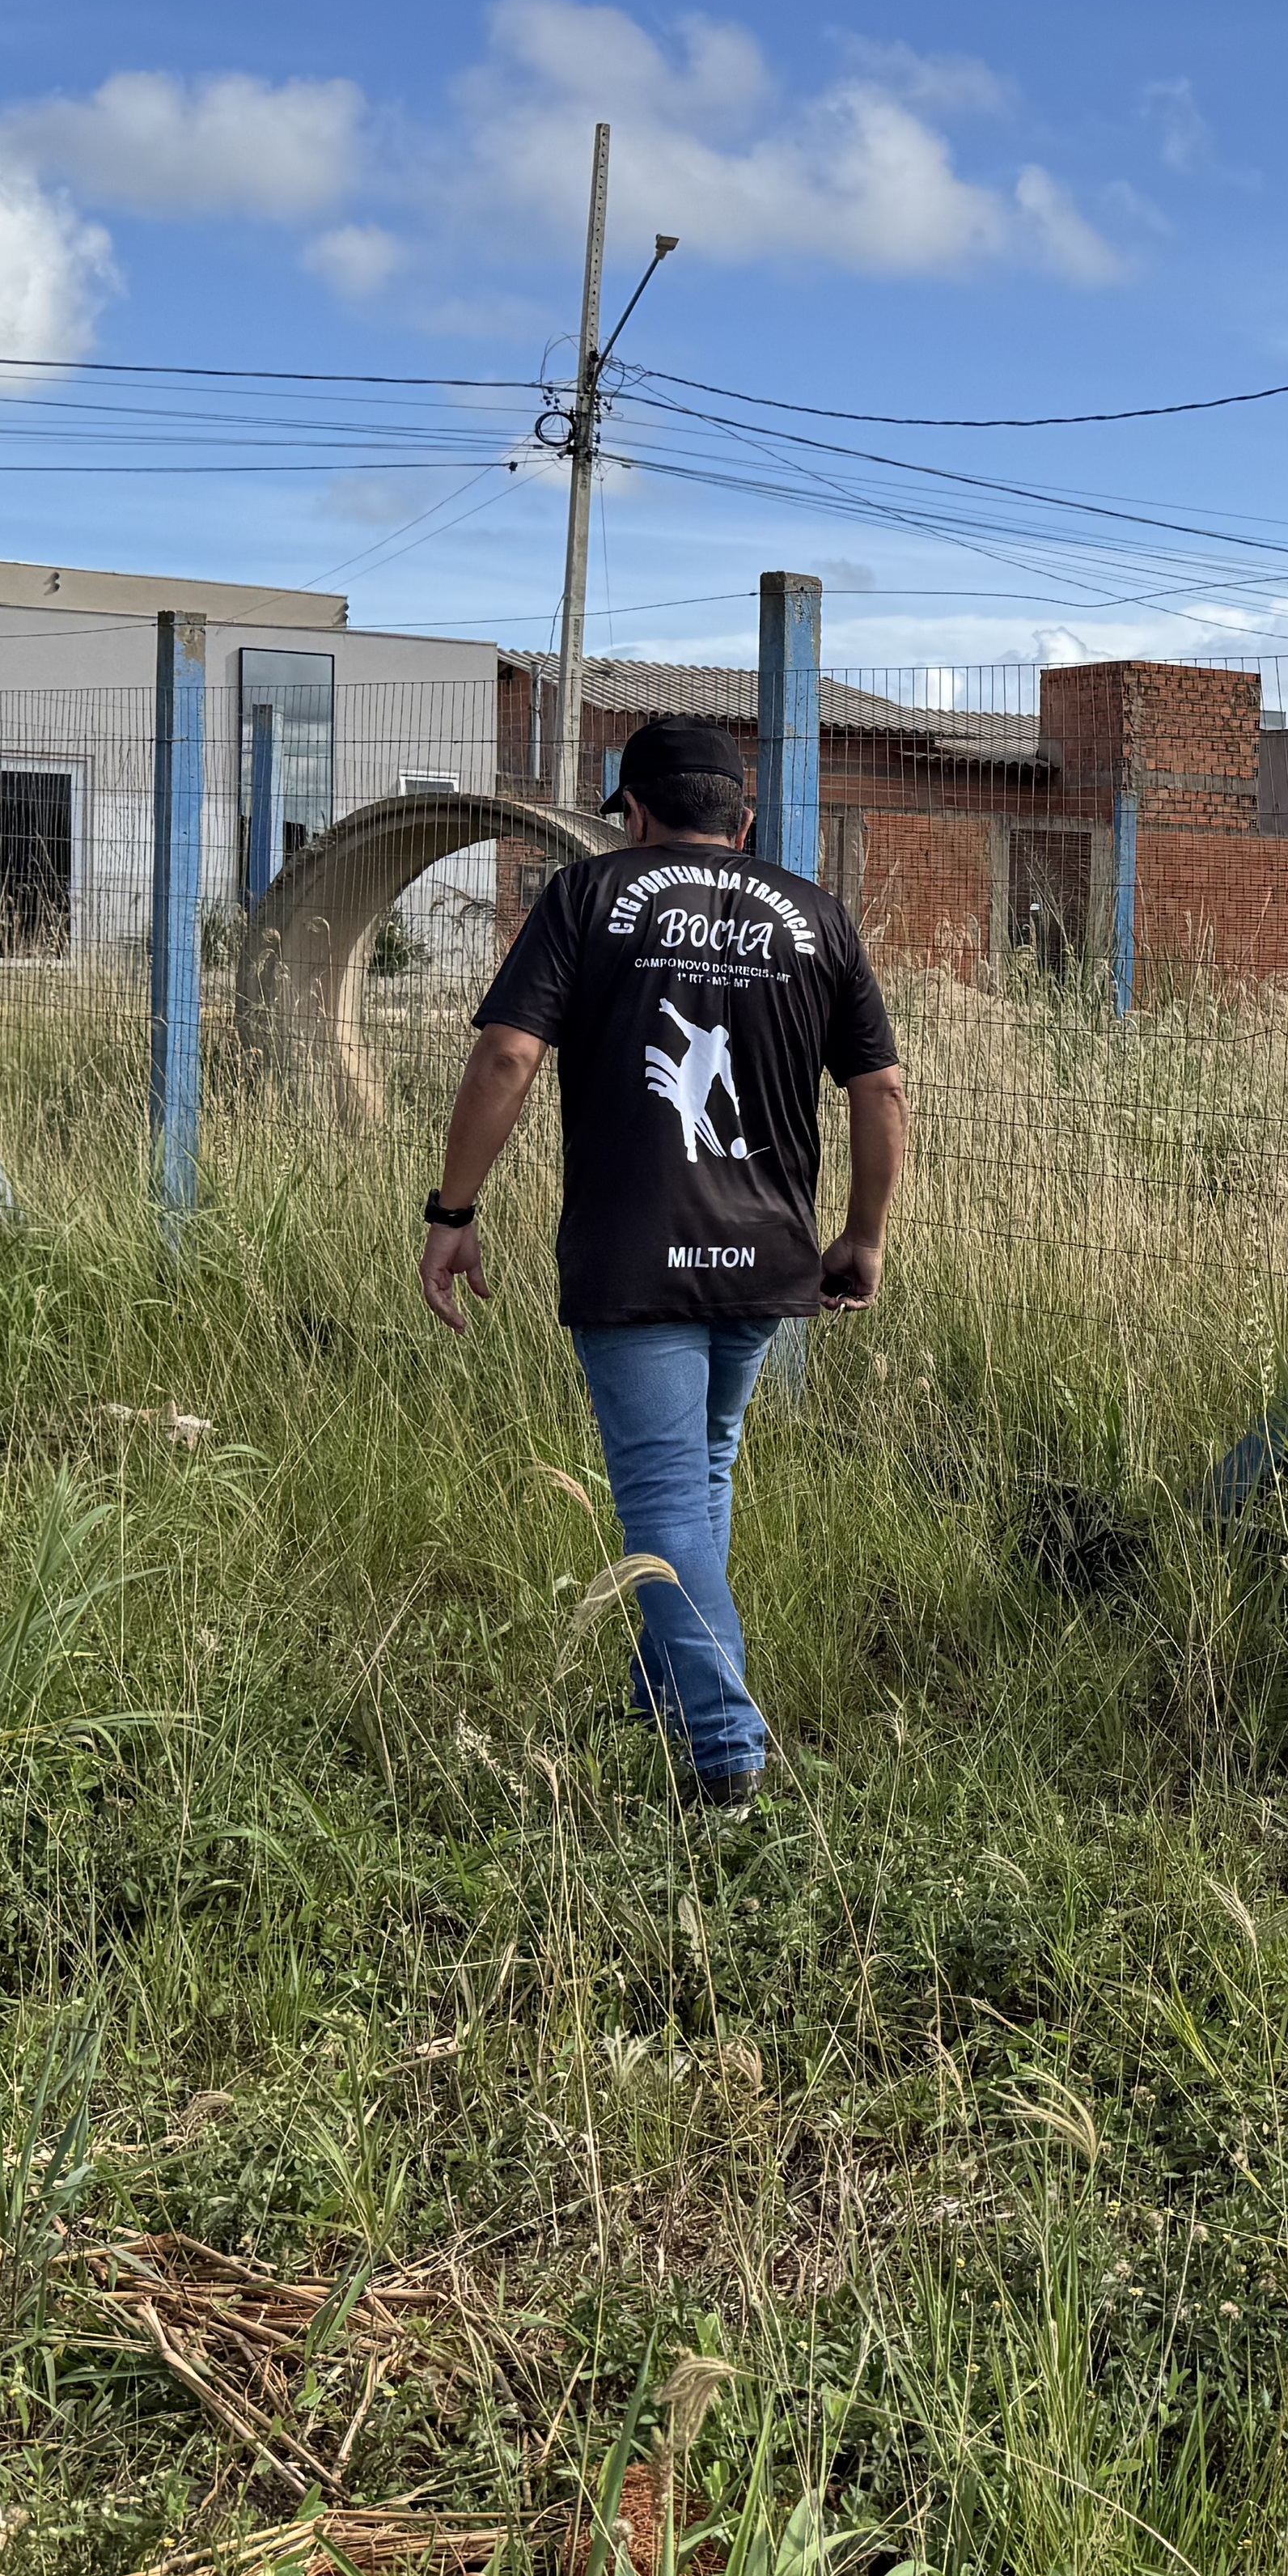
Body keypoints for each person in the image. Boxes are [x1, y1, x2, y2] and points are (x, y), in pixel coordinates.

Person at [417, 716, 908, 1815]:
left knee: (663, 1505)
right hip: (765, 1258)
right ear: (741, 818)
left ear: (630, 813)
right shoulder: (816, 917)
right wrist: (863, 1235)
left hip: (635, 1254)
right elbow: (879, 1089)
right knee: (706, 1469)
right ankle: (661, 1694)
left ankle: (726, 1747)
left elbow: (506, 1053)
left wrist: (455, 1208)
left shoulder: (589, 899)